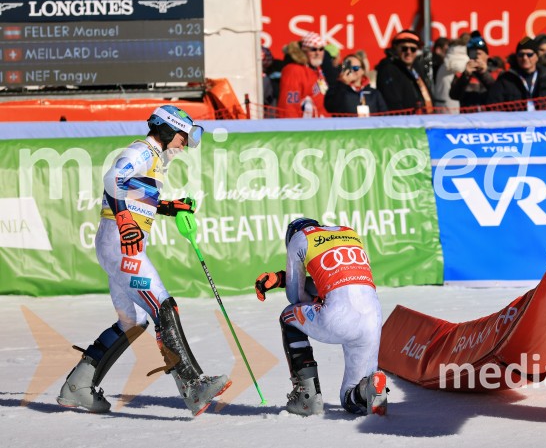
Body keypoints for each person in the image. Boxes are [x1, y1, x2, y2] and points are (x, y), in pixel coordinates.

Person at [58, 106, 230, 416]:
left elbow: (131, 191)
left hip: (116, 244)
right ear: (165, 131)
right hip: (122, 243)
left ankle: (78, 386)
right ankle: (192, 385)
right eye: (183, 136)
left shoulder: (154, 158)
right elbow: (114, 179)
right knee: (163, 305)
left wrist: (165, 207)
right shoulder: (144, 150)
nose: (185, 145)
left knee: (133, 321)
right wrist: (124, 220)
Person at [254, 217, 388, 417]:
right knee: (349, 396)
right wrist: (281, 279)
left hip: (337, 318)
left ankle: (306, 397)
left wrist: (288, 281)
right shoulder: (349, 232)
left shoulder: (299, 238)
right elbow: (338, 279)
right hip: (372, 318)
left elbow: (296, 297)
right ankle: (368, 389)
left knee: (288, 316)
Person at [487, 36, 546, 109]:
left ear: (537, 57)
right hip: (516, 120)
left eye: (529, 55)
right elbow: (494, 107)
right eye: (521, 55)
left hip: (544, 120)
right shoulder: (505, 80)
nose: (525, 58)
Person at [376, 29, 433, 113]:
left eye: (413, 49)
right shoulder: (388, 69)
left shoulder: (416, 68)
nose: (408, 52)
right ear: (395, 48)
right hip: (404, 122)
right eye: (404, 48)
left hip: (423, 120)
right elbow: (393, 103)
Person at [278, 32, 331, 118]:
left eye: (321, 49)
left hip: (318, 124)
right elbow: (288, 107)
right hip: (302, 126)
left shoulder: (317, 70)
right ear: (304, 51)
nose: (318, 53)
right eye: (313, 49)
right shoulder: (294, 70)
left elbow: (319, 104)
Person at [324, 54, 388, 115]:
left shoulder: (374, 93)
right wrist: (343, 84)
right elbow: (331, 107)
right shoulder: (336, 89)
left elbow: (384, 116)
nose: (351, 71)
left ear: (362, 70)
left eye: (355, 68)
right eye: (347, 68)